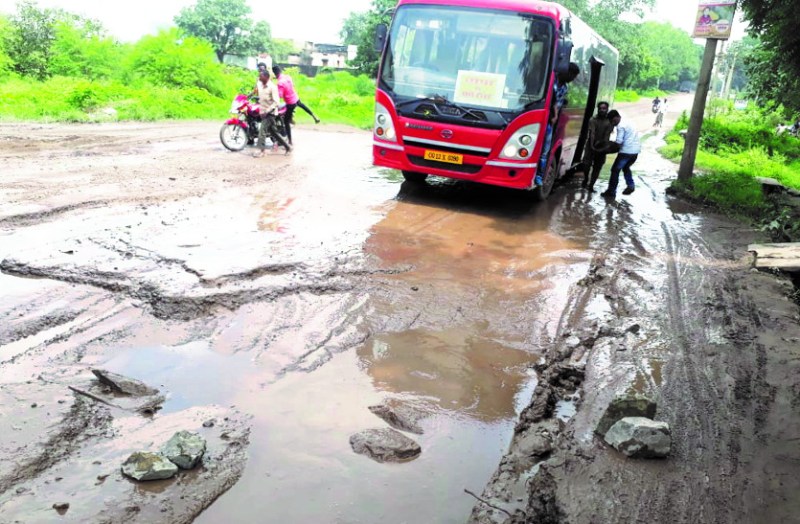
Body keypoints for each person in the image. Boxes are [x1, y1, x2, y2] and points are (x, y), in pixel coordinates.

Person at [537, 62, 580, 186]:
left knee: (545, 151)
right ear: (567, 72)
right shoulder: (550, 80)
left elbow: (557, 104)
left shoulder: (564, 88)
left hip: (550, 121)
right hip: (540, 117)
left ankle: (539, 176)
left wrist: (555, 116)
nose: (572, 79)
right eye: (573, 76)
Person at [272, 65, 320, 146]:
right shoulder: (288, 77)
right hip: (295, 97)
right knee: (301, 105)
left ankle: (290, 141)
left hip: (290, 102)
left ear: (275, 73)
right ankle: (314, 116)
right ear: (280, 71)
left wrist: (273, 92)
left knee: (286, 122)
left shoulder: (280, 83)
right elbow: (292, 85)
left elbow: (280, 96)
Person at [600, 110, 641, 198]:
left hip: (626, 152)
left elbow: (619, 142)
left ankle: (611, 191)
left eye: (612, 121)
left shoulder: (620, 126)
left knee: (615, 170)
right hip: (635, 151)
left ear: (616, 117)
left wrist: (607, 149)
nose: (612, 123)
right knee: (626, 167)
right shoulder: (629, 122)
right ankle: (631, 185)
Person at [253, 70, 291, 157]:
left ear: (266, 77)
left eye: (261, 76)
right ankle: (288, 147)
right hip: (263, 112)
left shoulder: (272, 87)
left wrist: (267, 111)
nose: (259, 78)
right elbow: (256, 91)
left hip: (270, 114)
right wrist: (248, 96)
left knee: (262, 131)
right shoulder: (260, 85)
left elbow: (276, 102)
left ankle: (262, 151)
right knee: (274, 133)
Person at [580, 101, 612, 192]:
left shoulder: (609, 121)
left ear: (607, 109)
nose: (602, 110)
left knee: (598, 167)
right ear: (598, 109)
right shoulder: (593, 120)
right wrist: (592, 146)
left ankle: (591, 185)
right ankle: (586, 178)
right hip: (590, 145)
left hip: (602, 147)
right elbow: (592, 133)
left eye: (604, 108)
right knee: (586, 164)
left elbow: (607, 136)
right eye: (600, 108)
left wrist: (603, 148)